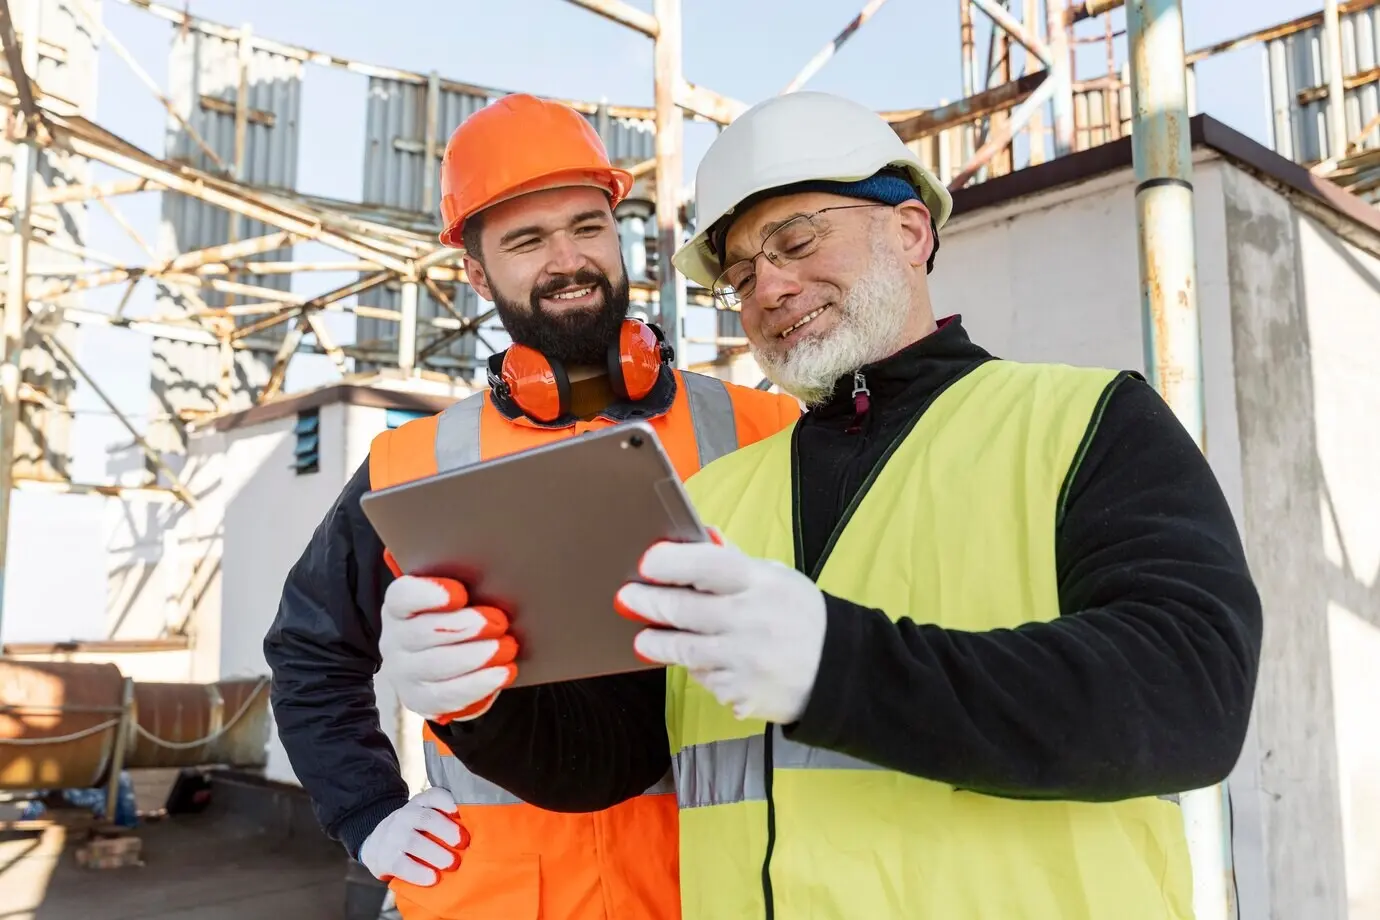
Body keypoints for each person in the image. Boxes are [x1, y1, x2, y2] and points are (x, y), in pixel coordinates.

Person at [375, 90, 1264, 919]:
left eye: (797, 242)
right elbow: (612, 757)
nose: (769, 289)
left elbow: (1192, 695)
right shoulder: (719, 494)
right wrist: (480, 696)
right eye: (740, 272)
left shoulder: (1087, 421)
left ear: (912, 230)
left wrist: (837, 666)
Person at [262, 92, 801, 920]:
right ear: (475, 271)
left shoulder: (765, 428)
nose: (569, 259)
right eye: (526, 239)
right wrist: (365, 812)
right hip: (502, 899)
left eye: (588, 227)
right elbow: (310, 653)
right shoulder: (411, 463)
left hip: (715, 892)